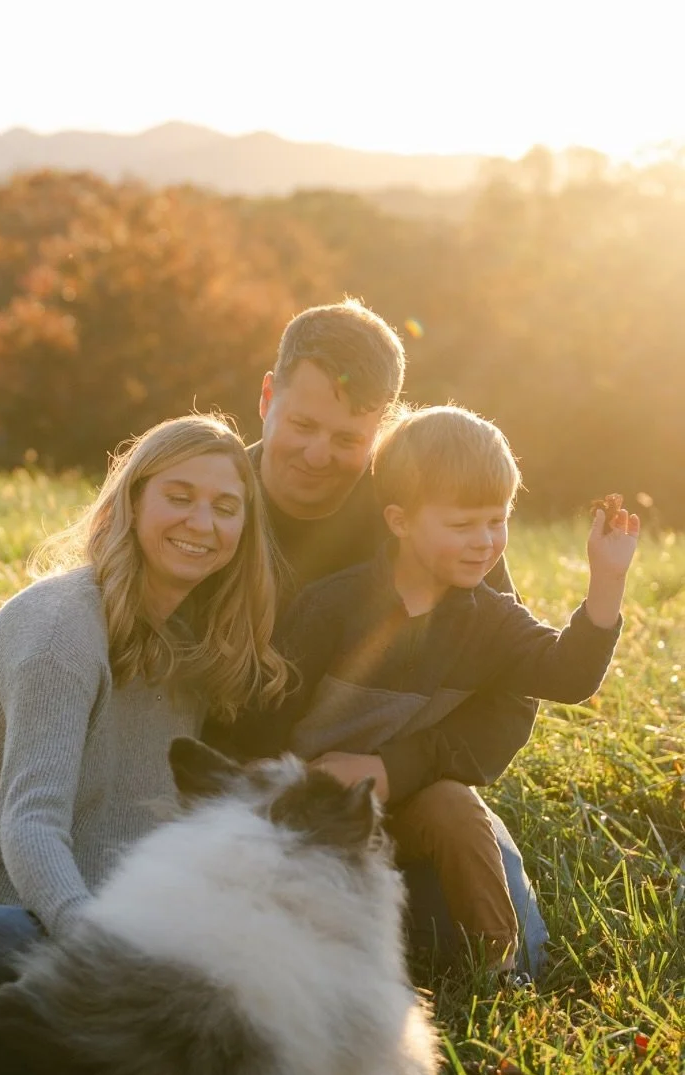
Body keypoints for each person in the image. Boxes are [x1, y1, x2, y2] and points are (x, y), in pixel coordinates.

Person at [0, 414, 287, 993]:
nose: (202, 522)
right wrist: (98, 948)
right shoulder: (59, 628)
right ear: (133, 502)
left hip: (105, 938)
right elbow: (31, 823)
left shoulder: (192, 650)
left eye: (225, 506)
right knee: (9, 938)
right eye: (179, 496)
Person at [227, 405, 640, 969]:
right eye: (462, 525)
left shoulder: (489, 617)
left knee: (456, 807)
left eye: (497, 521)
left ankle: (501, 970)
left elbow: (567, 674)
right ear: (399, 521)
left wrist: (607, 581)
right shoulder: (331, 607)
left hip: (408, 800)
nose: (485, 542)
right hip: (308, 801)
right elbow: (263, 717)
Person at [228, 299, 551, 975]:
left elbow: (510, 691)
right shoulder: (213, 500)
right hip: (252, 792)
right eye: (303, 424)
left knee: (471, 938)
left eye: (348, 439)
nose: (318, 454)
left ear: (382, 431)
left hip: (408, 794)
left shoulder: (426, 514)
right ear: (267, 396)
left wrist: (392, 770)